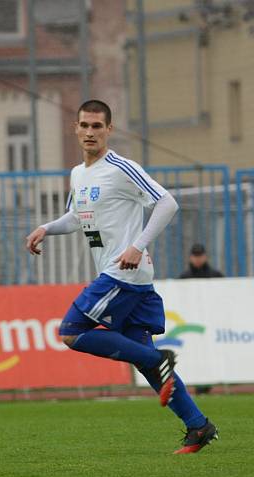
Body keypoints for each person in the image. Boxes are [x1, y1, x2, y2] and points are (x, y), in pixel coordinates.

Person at [24, 100, 217, 454]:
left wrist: (137, 244)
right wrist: (46, 228)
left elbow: (167, 202)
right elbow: (76, 217)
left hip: (123, 273)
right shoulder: (78, 174)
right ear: (76, 128)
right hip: (127, 279)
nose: (90, 132)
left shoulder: (121, 167)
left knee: (70, 331)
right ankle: (198, 425)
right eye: (84, 125)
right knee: (145, 359)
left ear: (109, 130)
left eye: (97, 126)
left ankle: (156, 361)